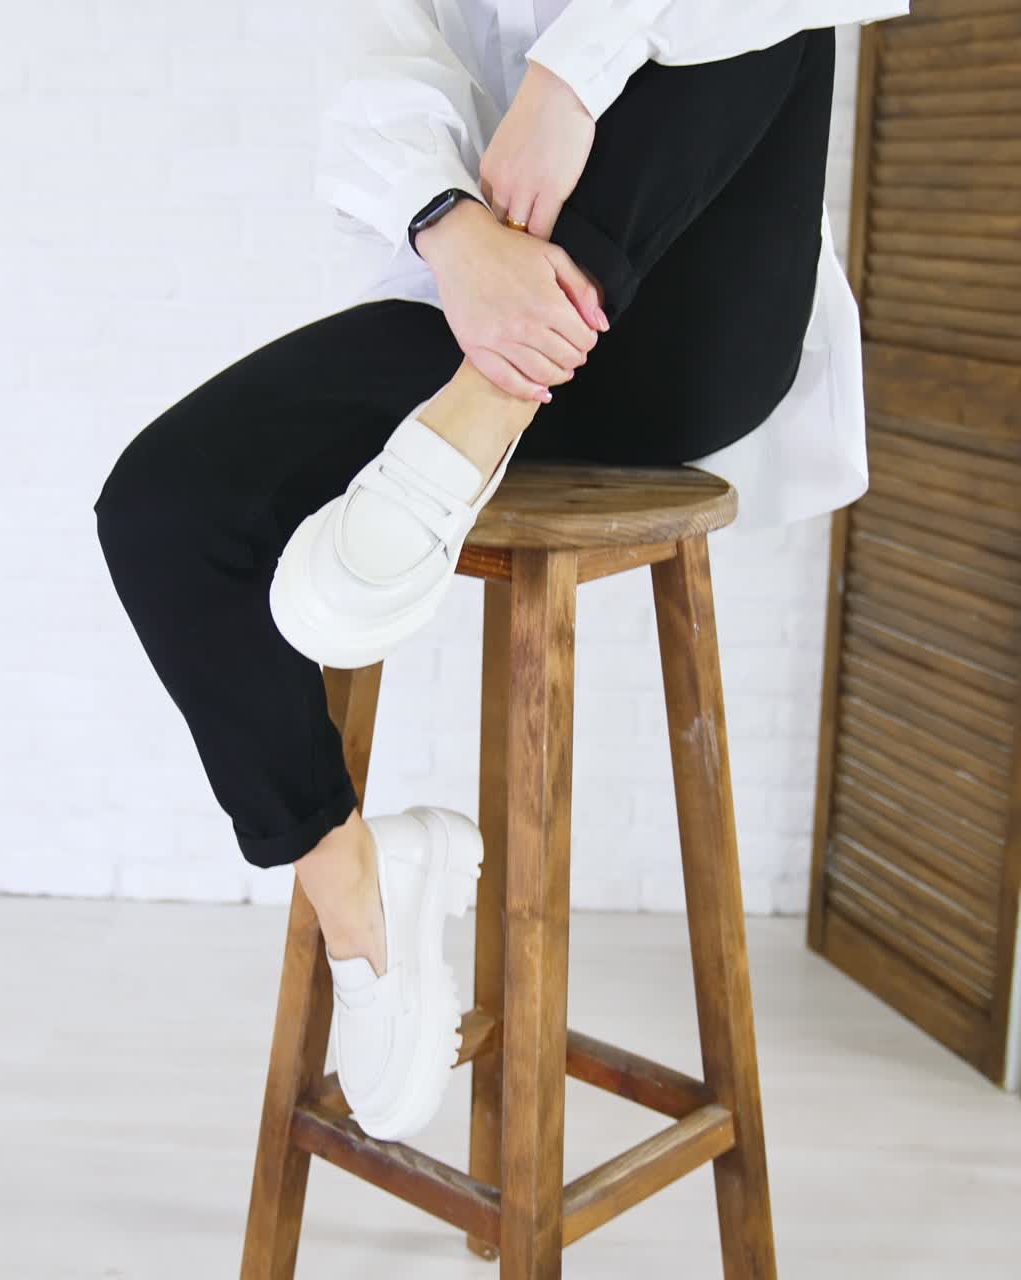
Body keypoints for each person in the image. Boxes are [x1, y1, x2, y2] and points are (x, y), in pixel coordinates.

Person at [92, 0, 909, 1142]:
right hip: (490, 297)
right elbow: (380, 59)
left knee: (763, 15)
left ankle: (482, 416)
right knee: (162, 502)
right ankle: (366, 912)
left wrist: (566, 86)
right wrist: (452, 231)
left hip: (690, 329)